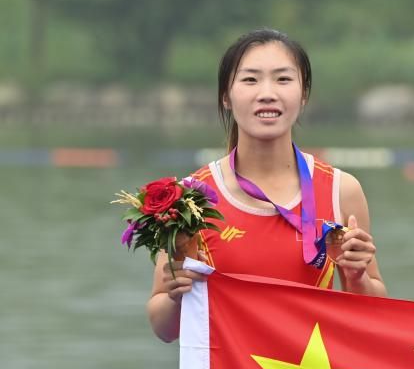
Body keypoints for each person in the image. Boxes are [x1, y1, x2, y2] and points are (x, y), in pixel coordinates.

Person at [148, 28, 386, 342]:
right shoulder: (189, 200)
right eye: (250, 79)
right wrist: (177, 296)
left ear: (303, 95)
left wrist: (357, 277)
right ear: (226, 96)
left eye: (283, 79)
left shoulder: (341, 190)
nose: (267, 93)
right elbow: (164, 329)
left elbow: (376, 317)